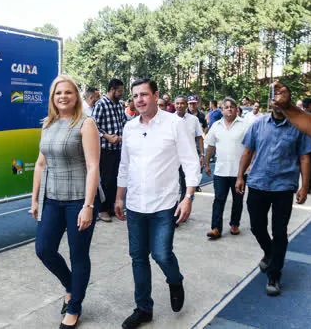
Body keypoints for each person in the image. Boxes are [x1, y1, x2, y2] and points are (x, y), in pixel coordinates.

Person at [114, 79, 201, 328]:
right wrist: (119, 197)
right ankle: (143, 309)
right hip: (135, 205)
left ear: (156, 95)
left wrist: (189, 197)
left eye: (144, 94)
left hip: (165, 204)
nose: (139, 100)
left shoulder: (174, 124)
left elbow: (190, 161)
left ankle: (175, 280)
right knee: (138, 257)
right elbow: (125, 165)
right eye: (135, 96)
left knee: (161, 254)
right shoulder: (129, 128)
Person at [31, 75, 100, 328]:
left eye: (68, 92)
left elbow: (93, 166)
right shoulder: (47, 124)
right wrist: (35, 199)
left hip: (78, 200)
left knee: (78, 254)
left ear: (76, 96)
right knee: (44, 249)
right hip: (52, 198)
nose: (63, 97)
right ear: (53, 97)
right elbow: (40, 163)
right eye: (58, 93)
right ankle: (72, 286)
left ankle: (74, 307)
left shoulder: (85, 123)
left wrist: (88, 206)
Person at [236, 82, 311, 296]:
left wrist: (304, 186)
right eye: (275, 98)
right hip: (258, 183)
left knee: (280, 232)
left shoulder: (299, 127)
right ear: (271, 102)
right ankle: (270, 253)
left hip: (283, 188)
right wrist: (240, 176)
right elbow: (248, 151)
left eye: (282, 97)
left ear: (287, 101)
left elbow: (305, 157)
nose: (278, 102)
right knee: (256, 227)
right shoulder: (258, 124)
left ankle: (274, 275)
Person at [204, 97, 248, 239]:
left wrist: (251, 165)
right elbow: (210, 146)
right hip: (221, 171)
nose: (229, 109)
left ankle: (235, 224)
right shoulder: (216, 126)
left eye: (232, 106)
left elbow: (251, 147)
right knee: (219, 200)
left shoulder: (244, 125)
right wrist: (206, 163)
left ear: (236, 109)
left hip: (239, 172)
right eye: (226, 107)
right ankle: (216, 228)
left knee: (238, 200)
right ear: (221, 110)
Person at [92, 78, 126, 222]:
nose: (121, 94)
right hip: (105, 149)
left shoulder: (119, 106)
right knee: (106, 180)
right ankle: (102, 209)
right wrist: (107, 136)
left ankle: (112, 206)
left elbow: (124, 123)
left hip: (118, 149)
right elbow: (92, 126)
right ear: (112, 89)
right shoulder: (101, 104)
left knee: (116, 180)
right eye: (119, 91)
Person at [174, 95, 203, 205]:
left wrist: (201, 155)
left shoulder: (194, 120)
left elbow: (199, 137)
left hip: (188, 158)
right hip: (173, 158)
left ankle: (182, 208)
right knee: (173, 185)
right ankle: (172, 209)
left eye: (182, 103)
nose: (179, 106)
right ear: (174, 104)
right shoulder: (169, 119)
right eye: (177, 103)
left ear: (186, 105)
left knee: (187, 184)